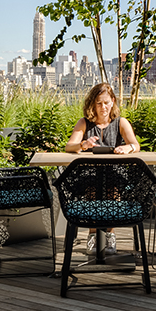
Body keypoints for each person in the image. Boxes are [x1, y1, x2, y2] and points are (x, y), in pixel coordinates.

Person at [64, 82, 141, 257]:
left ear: (112, 101)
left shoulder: (121, 122)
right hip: (89, 174)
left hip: (114, 173)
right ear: (93, 104)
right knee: (92, 189)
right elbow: (69, 147)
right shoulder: (84, 123)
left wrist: (128, 148)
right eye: (99, 103)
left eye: (106, 102)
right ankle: (93, 235)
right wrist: (83, 144)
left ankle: (110, 235)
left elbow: (136, 145)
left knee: (112, 191)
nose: (103, 107)